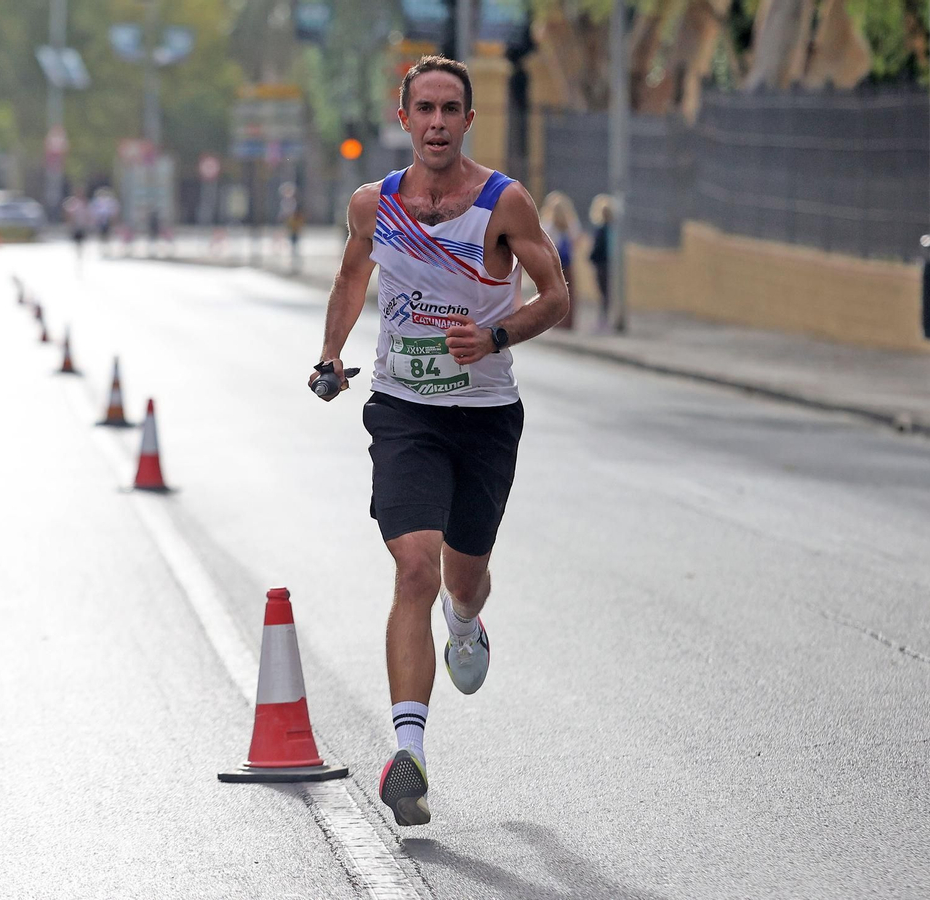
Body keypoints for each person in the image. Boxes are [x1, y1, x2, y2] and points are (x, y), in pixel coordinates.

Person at [308, 55, 569, 828]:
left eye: (450, 110)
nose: (436, 123)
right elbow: (353, 280)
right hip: (404, 410)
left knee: (464, 577)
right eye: (423, 109)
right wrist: (330, 358)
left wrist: (495, 335)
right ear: (404, 119)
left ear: (468, 120)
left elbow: (557, 297)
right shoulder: (375, 204)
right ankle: (409, 755)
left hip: (486, 416)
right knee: (413, 564)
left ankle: (466, 620)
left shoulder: (502, 204)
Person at [539, 191, 583, 330]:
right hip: (569, 262)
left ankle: (556, 323)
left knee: (555, 293)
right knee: (570, 293)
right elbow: (577, 239)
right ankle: (569, 323)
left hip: (555, 264)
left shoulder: (548, 224)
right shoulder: (571, 224)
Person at [588, 194, 615, 331]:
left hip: (602, 264)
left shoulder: (601, 229)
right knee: (607, 294)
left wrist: (591, 258)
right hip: (610, 264)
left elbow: (597, 248)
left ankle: (603, 322)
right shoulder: (613, 229)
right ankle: (606, 320)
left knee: (603, 294)